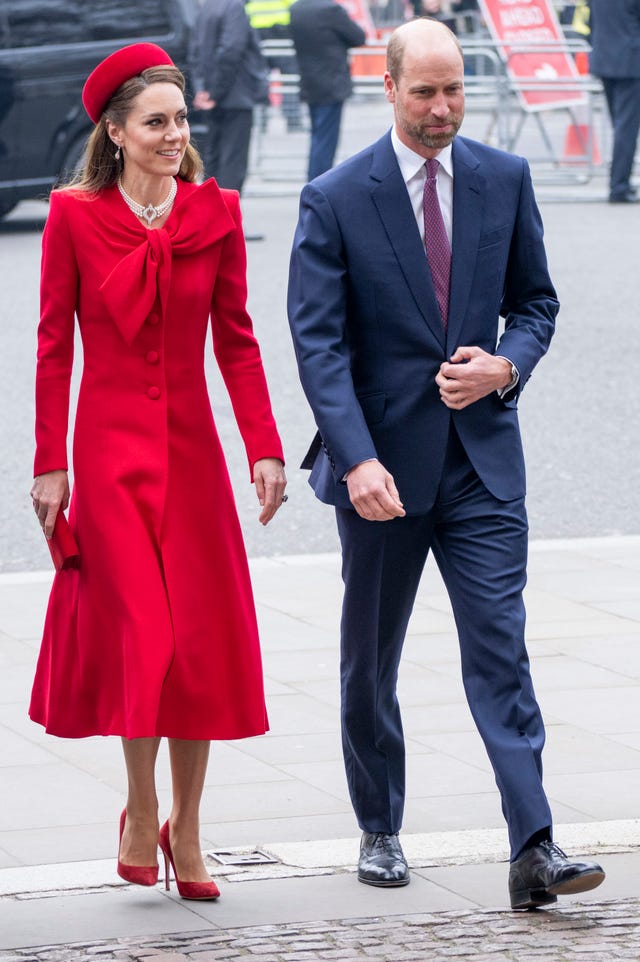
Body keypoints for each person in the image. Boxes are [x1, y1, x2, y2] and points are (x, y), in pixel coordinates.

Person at [287, 18, 605, 909]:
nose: (441, 108)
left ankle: (533, 846)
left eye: (454, 89)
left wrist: (509, 364)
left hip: (483, 468)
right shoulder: (336, 196)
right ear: (386, 87)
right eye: (423, 91)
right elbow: (319, 347)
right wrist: (355, 461)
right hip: (383, 474)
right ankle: (380, 825)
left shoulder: (505, 178)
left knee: (500, 650)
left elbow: (536, 301)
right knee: (369, 659)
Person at [29, 42, 287, 900]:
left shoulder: (214, 213)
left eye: (181, 119)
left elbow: (238, 343)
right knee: (146, 637)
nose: (176, 133)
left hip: (192, 457)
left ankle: (192, 826)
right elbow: (52, 347)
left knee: (197, 647)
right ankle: (142, 811)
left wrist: (263, 445)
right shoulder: (72, 217)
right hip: (107, 460)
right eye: (158, 121)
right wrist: (49, 464)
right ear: (115, 130)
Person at [189, 0, 269, 193]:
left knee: (213, 160)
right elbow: (231, 51)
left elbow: (195, 53)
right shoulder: (234, 7)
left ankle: (212, 216)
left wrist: (203, 90)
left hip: (214, 96)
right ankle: (226, 218)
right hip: (234, 96)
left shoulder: (208, 7)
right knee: (233, 163)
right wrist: (215, 92)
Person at [289, 0, 366, 181]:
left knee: (317, 137)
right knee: (325, 141)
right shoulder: (331, 9)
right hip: (331, 82)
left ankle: (314, 181)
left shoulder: (296, 9)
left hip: (309, 81)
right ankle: (319, 184)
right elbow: (358, 36)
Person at [589, 0, 640, 203]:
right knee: (625, 129)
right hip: (630, 62)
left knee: (620, 126)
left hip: (604, 59)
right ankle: (619, 186)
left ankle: (620, 182)